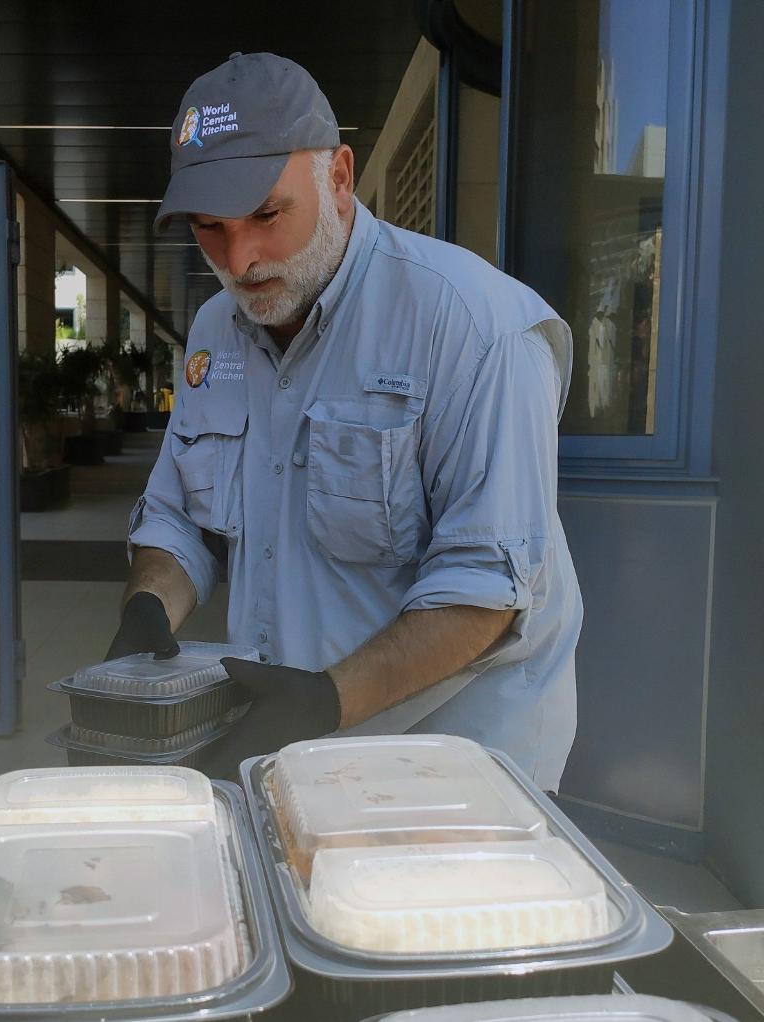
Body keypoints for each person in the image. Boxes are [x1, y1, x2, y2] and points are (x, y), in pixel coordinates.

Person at [109, 53, 583, 790]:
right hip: (289, 750)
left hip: (456, 769)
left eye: (267, 214)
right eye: (210, 226)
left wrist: (326, 702)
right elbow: (181, 517)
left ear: (338, 177)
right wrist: (148, 610)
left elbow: (483, 586)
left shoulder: (472, 325)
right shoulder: (214, 330)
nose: (240, 258)